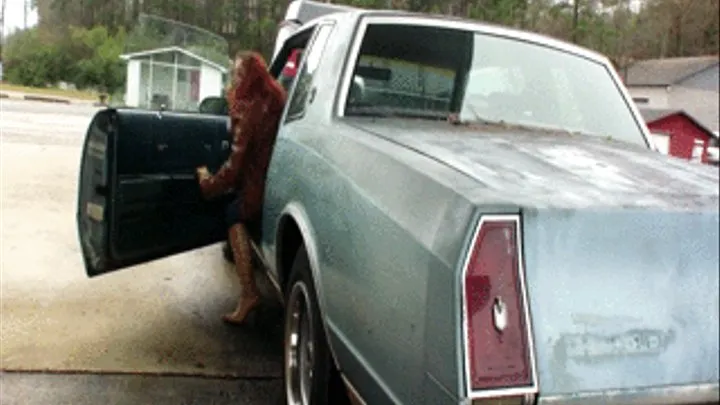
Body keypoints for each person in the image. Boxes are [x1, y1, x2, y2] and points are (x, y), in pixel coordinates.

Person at [196, 50, 287, 324]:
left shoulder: (248, 112)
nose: (234, 81)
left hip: (256, 185)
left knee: (233, 214)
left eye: (237, 75)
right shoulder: (275, 99)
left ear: (248, 78)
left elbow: (235, 166)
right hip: (272, 177)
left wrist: (207, 182)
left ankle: (249, 293)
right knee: (236, 208)